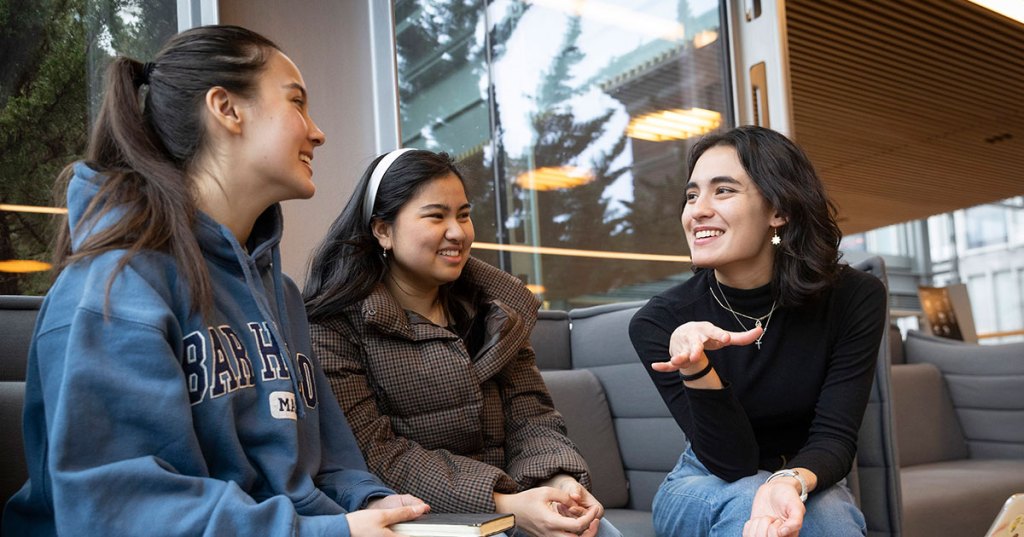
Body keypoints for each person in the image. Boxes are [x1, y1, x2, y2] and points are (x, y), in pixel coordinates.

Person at [2, 25, 429, 536]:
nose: (317, 132)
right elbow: (120, 511)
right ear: (226, 109)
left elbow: (326, 468)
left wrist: (376, 503)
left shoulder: (283, 295)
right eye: (297, 102)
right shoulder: (113, 286)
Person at [303, 148, 622, 537]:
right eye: (436, 216)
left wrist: (557, 482)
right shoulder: (333, 328)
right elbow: (375, 452)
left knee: (596, 529)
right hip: (418, 516)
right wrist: (505, 505)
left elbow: (532, 415)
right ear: (382, 230)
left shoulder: (498, 313)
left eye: (464, 215)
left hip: (519, 500)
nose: (457, 232)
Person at [629, 126, 886, 537]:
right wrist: (697, 369)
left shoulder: (853, 297)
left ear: (778, 210)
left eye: (723, 191)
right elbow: (732, 462)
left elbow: (835, 437)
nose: (697, 210)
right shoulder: (661, 321)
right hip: (702, 482)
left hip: (803, 474)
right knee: (749, 500)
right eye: (692, 195)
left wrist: (789, 481)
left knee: (828, 514)